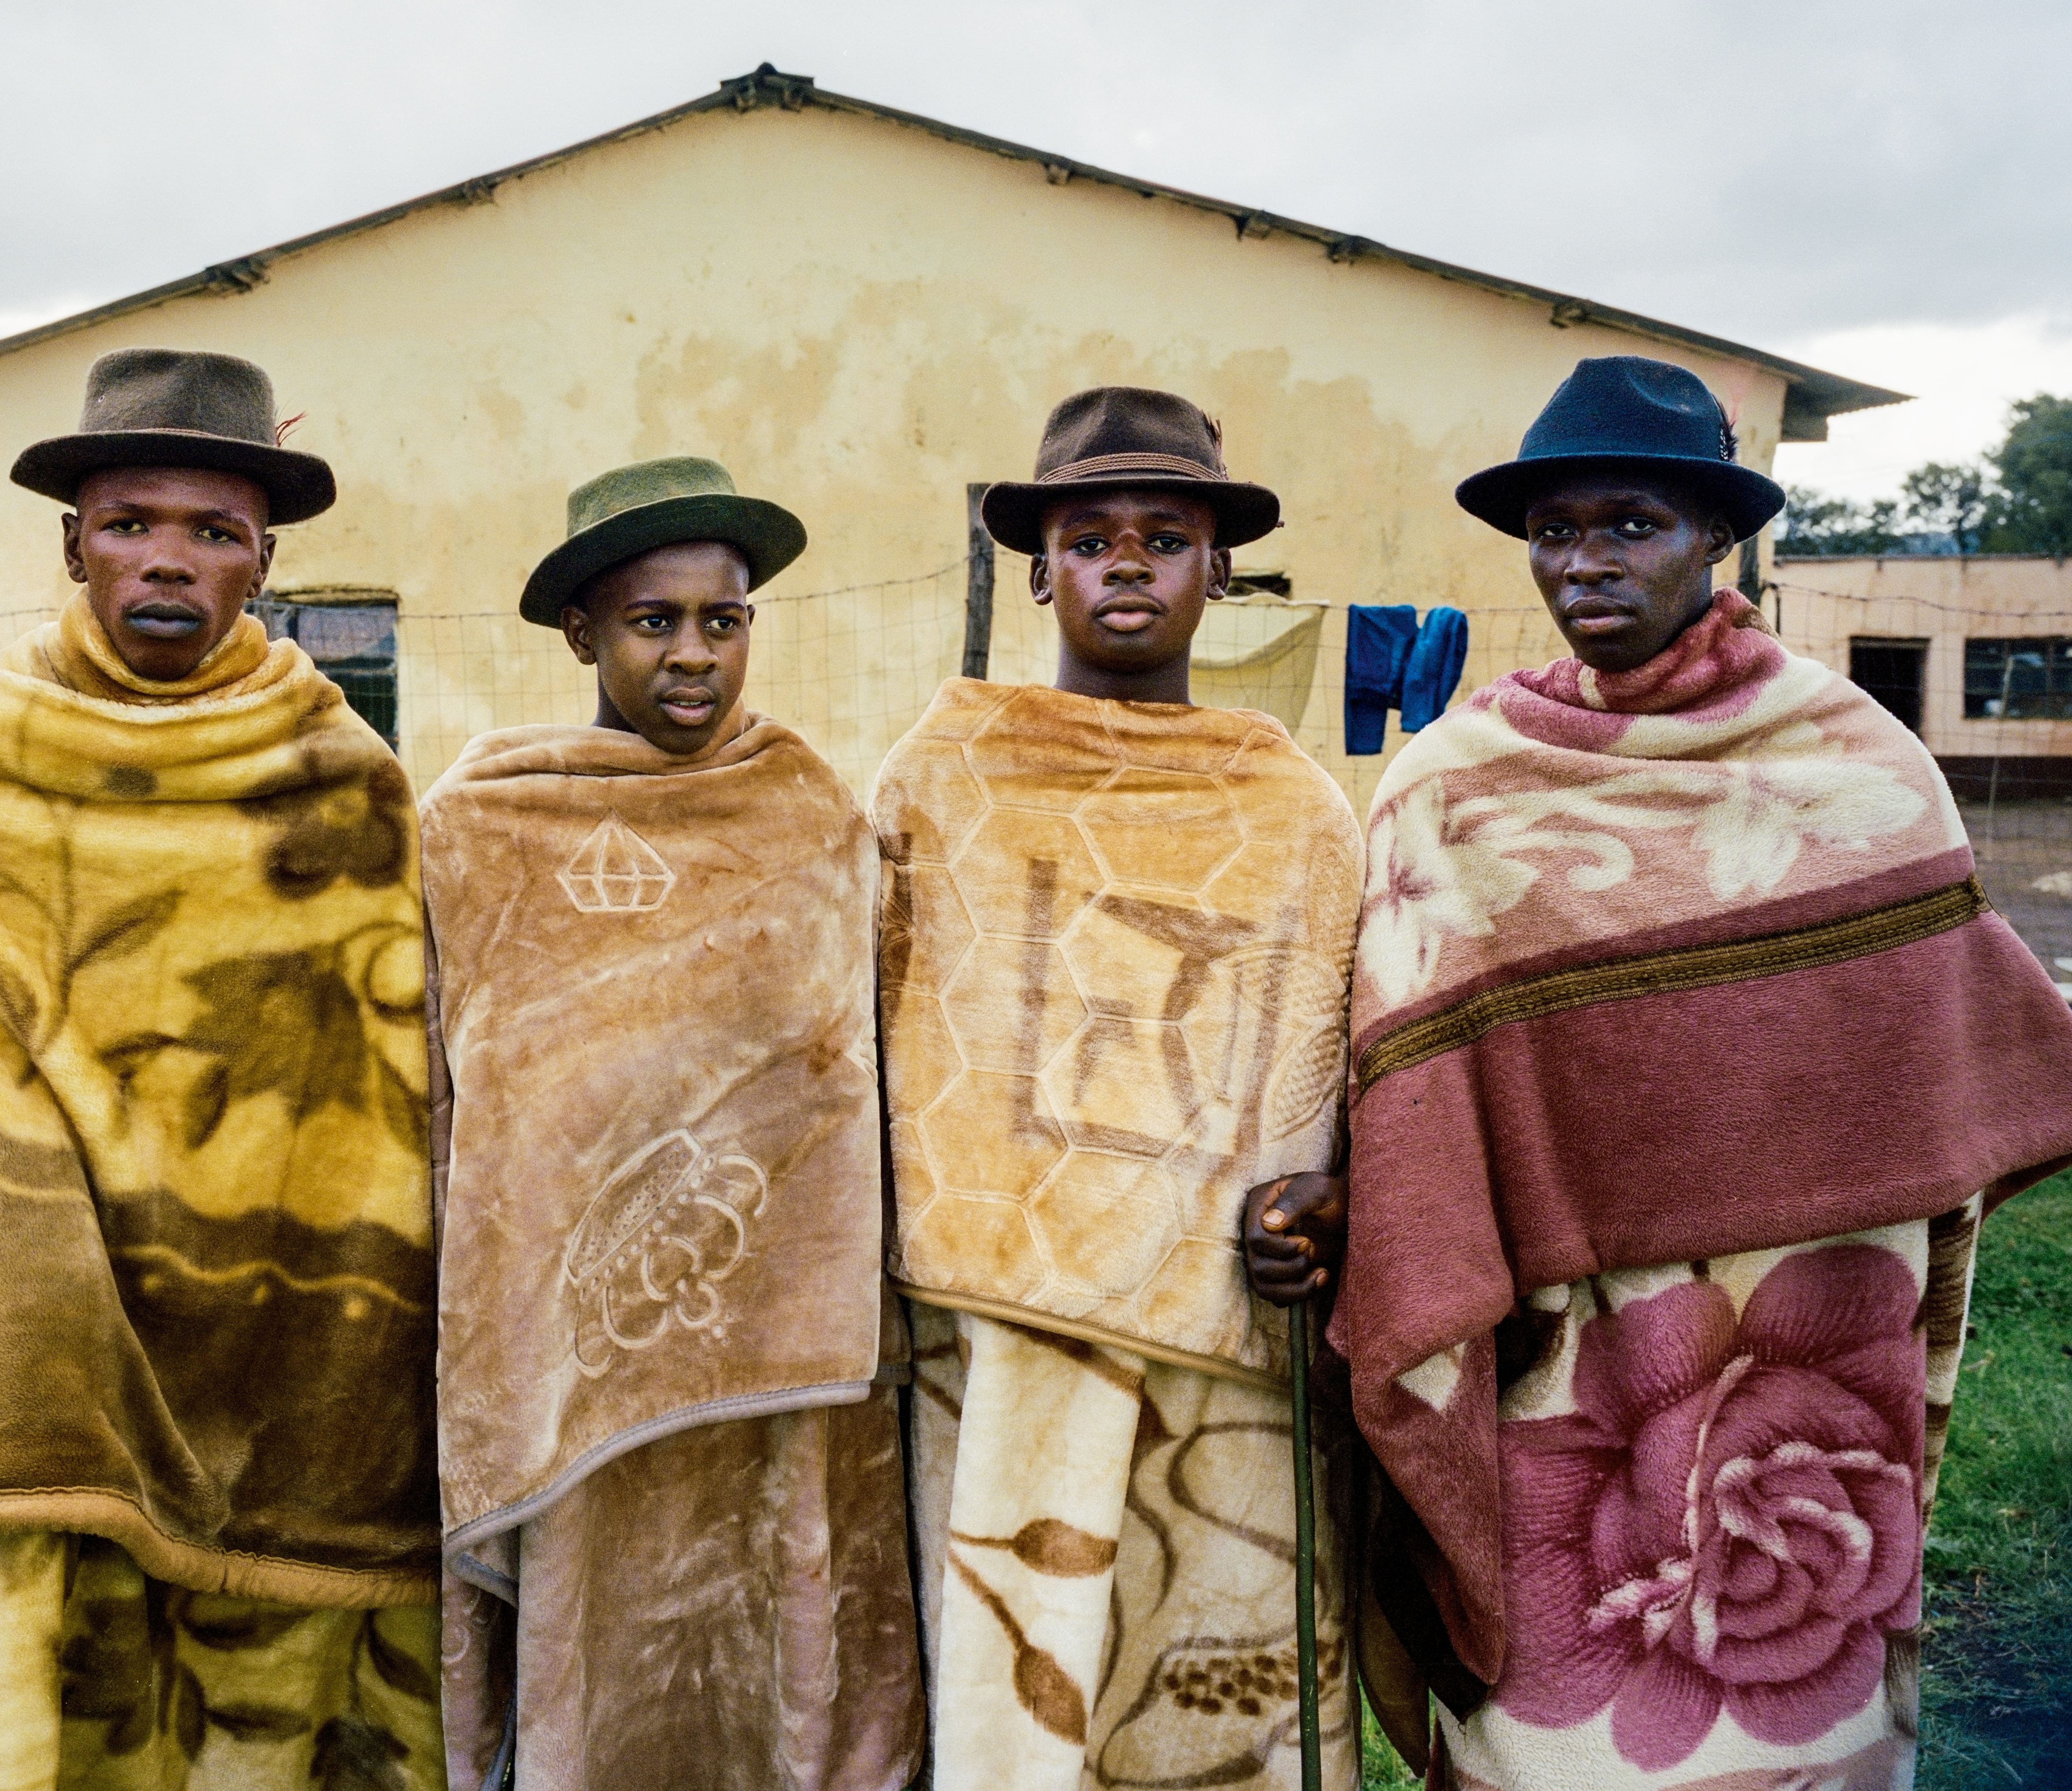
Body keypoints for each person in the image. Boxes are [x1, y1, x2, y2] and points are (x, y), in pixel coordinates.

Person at [1264, 355, 2072, 1787]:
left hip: (1812, 1342)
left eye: (1627, 520)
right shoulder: (1456, 783)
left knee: (1798, 1703)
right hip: (1566, 1373)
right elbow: (1401, 1085)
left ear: (1713, 533)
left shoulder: (1859, 764)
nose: (1582, 558)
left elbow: (1941, 1082)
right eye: (1556, 526)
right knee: (1563, 1716)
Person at [0, 349, 442, 1791]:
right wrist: (36, 1314)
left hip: (290, 1328)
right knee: (28, 1670)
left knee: (267, 1707)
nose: (168, 559)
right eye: (132, 521)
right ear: (72, 541)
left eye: (214, 531)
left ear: (264, 559)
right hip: (28, 1323)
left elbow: (372, 1094)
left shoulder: (343, 778)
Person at [878, 388, 1365, 1791]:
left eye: (1166, 534)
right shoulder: (943, 781)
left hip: (1223, 1344)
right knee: (1009, 1668)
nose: (1130, 561)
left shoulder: (1295, 809)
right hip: (991, 1333)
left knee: (1214, 1663)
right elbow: (872, 1025)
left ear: (1219, 566)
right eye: (1091, 536)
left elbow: (1342, 1056)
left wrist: (1327, 1202)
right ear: (1040, 568)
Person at [418, 458, 922, 1791]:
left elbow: (841, 1068)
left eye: (725, 618)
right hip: (574, 1353)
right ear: (582, 633)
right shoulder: (483, 826)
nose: (696, 654)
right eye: (655, 622)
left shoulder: (807, 811)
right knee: (599, 1641)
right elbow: (460, 1092)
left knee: (775, 1629)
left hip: (781, 1347)